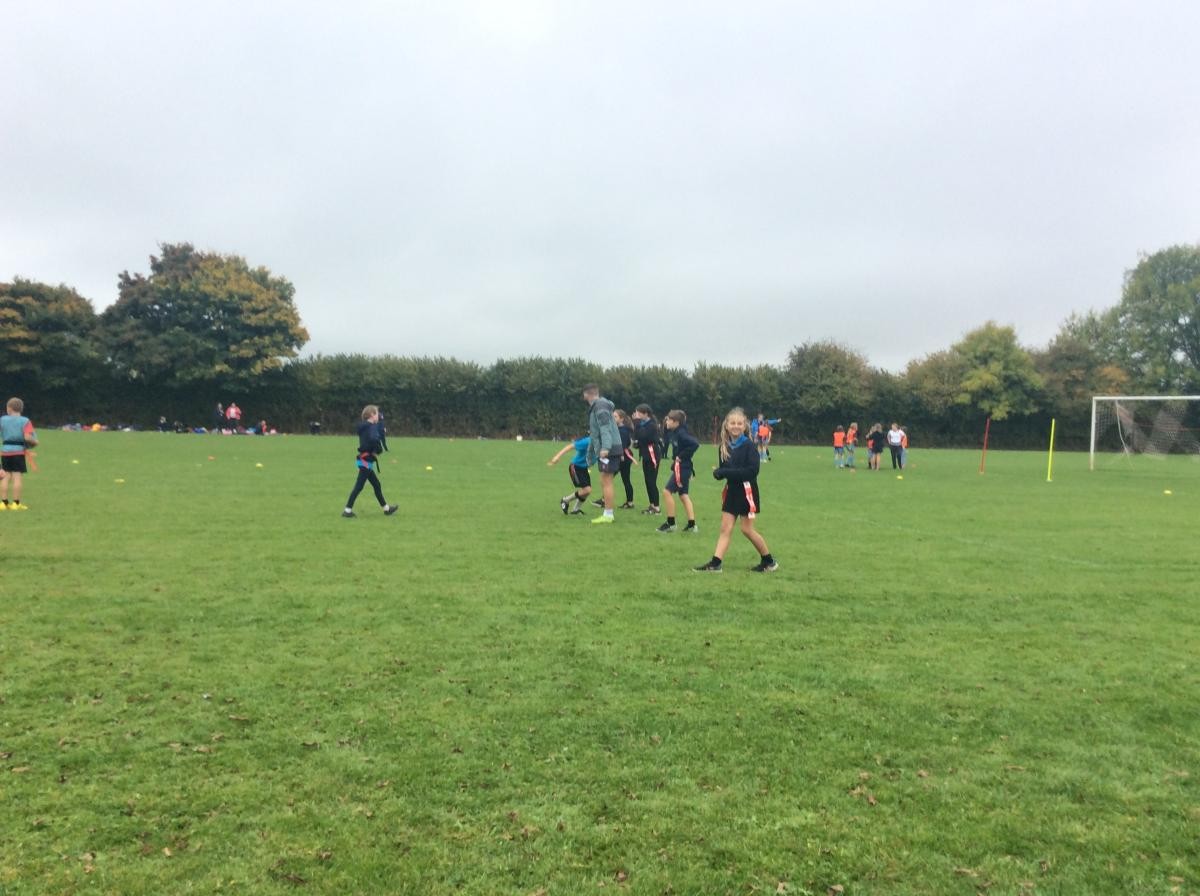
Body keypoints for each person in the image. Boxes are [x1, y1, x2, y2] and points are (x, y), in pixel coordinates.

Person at [695, 407, 777, 573]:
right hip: (732, 491)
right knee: (725, 528)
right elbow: (725, 469)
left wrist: (725, 472)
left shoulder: (749, 446)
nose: (736, 426)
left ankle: (769, 561)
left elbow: (751, 472)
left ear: (744, 426)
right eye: (732, 423)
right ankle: (716, 563)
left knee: (746, 529)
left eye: (739, 423)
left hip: (747, 492)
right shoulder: (723, 447)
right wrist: (719, 474)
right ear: (727, 425)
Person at [342, 405, 399, 518]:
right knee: (359, 486)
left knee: (376, 484)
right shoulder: (372, 427)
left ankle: (386, 509)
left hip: (363, 459)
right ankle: (347, 510)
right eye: (377, 413)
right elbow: (374, 439)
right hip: (366, 460)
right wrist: (378, 449)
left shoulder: (364, 427)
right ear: (372, 415)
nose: (378, 416)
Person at [583, 384, 622, 524]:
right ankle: (608, 513)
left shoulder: (600, 406)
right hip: (609, 449)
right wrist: (590, 456)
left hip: (609, 450)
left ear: (586, 394)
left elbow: (605, 428)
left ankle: (608, 515)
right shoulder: (599, 406)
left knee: (606, 481)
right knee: (604, 481)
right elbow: (594, 434)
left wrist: (605, 447)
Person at [657, 409, 699, 534]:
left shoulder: (681, 433)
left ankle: (671, 523)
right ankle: (692, 525)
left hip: (683, 467)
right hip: (682, 467)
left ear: (676, 422)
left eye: (669, 420)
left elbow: (695, 444)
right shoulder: (675, 432)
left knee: (666, 492)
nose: (667, 422)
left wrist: (681, 456)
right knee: (683, 495)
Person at [0, 397, 37, 511]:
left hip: (5, 451)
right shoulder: (25, 421)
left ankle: (3, 503)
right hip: (18, 452)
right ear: (21, 409)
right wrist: (35, 442)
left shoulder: (2, 419)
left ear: (9, 408)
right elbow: (27, 437)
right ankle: (16, 504)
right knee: (17, 477)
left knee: (5, 476)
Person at [631, 404, 663, 514]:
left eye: (639, 413)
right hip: (646, 454)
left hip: (652, 455)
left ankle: (657, 507)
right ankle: (652, 505)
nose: (637, 415)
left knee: (651, 481)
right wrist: (637, 444)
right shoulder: (642, 424)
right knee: (647, 481)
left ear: (646, 414)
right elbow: (638, 436)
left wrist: (636, 423)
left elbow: (644, 436)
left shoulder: (652, 425)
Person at [548, 435, 592, 515]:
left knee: (586, 492)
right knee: (587, 490)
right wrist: (557, 457)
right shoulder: (587, 441)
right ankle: (565, 500)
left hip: (584, 468)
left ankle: (575, 510)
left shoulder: (603, 443)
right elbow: (570, 446)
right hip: (576, 466)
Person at [613, 409, 637, 509]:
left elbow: (622, 445)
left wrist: (620, 456)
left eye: (615, 416)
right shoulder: (619, 429)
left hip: (623, 458)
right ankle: (630, 502)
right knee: (625, 480)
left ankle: (605, 500)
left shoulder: (622, 431)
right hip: (623, 457)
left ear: (621, 419)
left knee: (608, 479)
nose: (613, 418)